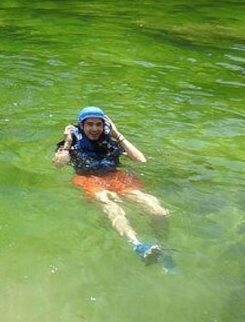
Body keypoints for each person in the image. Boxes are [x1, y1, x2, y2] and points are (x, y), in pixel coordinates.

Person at [53, 106, 170, 265]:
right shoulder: (72, 142)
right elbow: (59, 164)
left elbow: (141, 160)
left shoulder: (109, 141)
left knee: (158, 210)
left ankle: (163, 245)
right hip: (88, 178)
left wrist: (117, 134)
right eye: (90, 124)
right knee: (111, 204)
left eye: (98, 124)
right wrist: (67, 141)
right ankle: (138, 245)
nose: (94, 129)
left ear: (104, 126)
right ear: (81, 125)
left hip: (115, 177)